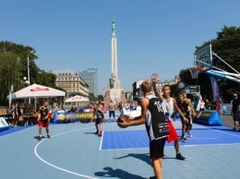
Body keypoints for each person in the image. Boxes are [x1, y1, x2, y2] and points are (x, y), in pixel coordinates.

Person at [119, 80, 169, 179]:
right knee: (159, 156)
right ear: (151, 89)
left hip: (155, 131)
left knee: (154, 159)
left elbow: (143, 120)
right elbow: (146, 115)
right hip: (164, 128)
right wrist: (133, 118)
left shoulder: (144, 100)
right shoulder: (156, 98)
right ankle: (156, 176)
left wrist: (128, 124)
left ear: (141, 90)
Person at [151, 74, 187, 160]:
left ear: (169, 90)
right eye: (164, 89)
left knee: (176, 138)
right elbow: (156, 92)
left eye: (166, 89)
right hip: (161, 122)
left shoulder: (173, 99)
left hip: (168, 121)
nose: (165, 90)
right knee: (160, 140)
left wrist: (183, 117)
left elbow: (176, 108)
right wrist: (154, 84)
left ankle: (178, 154)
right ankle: (159, 154)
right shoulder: (161, 98)